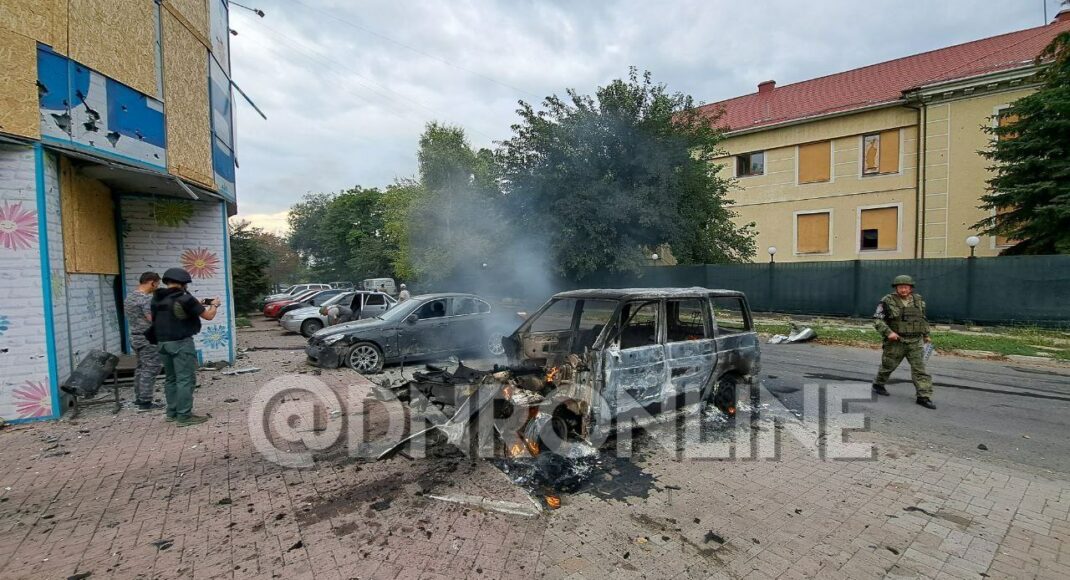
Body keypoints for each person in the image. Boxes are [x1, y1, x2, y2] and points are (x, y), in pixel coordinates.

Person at [151, 267, 219, 426]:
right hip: (181, 344)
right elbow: (208, 316)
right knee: (185, 380)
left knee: (171, 379)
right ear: (184, 283)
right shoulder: (185, 299)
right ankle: (184, 416)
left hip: (162, 343)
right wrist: (214, 305)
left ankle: (172, 413)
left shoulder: (157, 298)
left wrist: (199, 302)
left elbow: (173, 310)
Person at [872, 275, 936, 409]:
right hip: (897, 341)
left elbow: (922, 319)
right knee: (888, 366)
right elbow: (878, 320)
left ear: (911, 288)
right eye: (900, 287)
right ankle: (878, 384)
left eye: (906, 287)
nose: (903, 290)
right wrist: (889, 332)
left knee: (920, 370)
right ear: (896, 288)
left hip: (915, 341)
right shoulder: (887, 301)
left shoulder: (918, 300)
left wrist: (926, 334)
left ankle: (923, 396)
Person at [125, 271, 163, 411]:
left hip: (135, 336)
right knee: (151, 367)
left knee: (141, 367)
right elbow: (152, 318)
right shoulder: (145, 299)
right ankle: (145, 401)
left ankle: (139, 397)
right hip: (147, 338)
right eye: (157, 283)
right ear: (151, 282)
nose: (157, 286)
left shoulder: (130, 297)